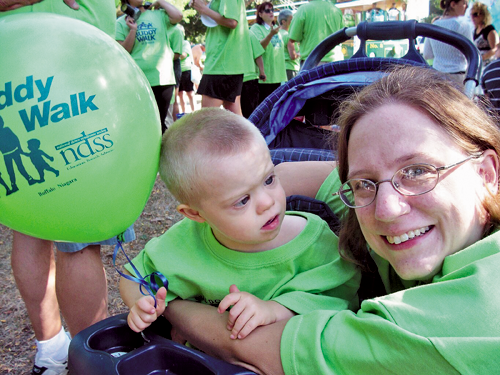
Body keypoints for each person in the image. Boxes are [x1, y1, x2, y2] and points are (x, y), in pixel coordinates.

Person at [161, 66, 500, 374]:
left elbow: (266, 349)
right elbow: (301, 176)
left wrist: (173, 306)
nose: (386, 210)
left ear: (486, 172)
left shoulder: (476, 307)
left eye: (417, 171)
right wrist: (236, 196)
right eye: (365, 183)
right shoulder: (419, 217)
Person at [120, 107, 361, 340]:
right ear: (195, 214)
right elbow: (135, 275)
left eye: (269, 180)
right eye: (243, 200)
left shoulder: (313, 243)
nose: (267, 202)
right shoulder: (183, 243)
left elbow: (340, 298)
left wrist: (275, 309)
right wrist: (143, 304)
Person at [1, 2, 136, 374]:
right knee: (77, 229)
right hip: (57, 53)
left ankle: (52, 352)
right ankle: (91, 355)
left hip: (28, 53)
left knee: (30, 219)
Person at [116, 0, 182, 133]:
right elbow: (123, 51)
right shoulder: (121, 22)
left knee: (162, 125)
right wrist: (132, 30)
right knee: (144, 126)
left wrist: (160, 2)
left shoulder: (159, 15)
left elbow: (178, 16)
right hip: (138, 81)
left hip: (163, 79)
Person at [190, 0, 254, 115]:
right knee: (236, 121)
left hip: (221, 62)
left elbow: (232, 21)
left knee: (206, 120)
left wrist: (203, 9)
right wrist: (203, 6)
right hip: (226, 62)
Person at [423, 0, 473, 85]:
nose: (466, 6)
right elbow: (471, 53)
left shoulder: (434, 25)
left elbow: (427, 54)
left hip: (437, 77)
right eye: (464, 3)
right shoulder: (464, 25)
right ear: (453, 4)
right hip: (458, 77)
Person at [287, 0, 344, 67]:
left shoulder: (303, 10)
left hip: (312, 61)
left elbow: (292, 38)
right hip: (336, 61)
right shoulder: (336, 10)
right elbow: (342, 36)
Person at [250, 2, 286, 105]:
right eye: (267, 10)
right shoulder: (256, 28)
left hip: (278, 76)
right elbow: (258, 48)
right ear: (260, 14)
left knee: (276, 108)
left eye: (272, 10)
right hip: (265, 78)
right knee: (265, 109)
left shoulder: (275, 29)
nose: (271, 12)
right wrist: (270, 35)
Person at [241, 32, 266, 119]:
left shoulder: (229, 34)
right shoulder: (250, 34)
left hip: (237, 78)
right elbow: (258, 55)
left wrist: (262, 72)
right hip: (249, 78)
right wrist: (262, 72)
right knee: (251, 113)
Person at [471, 1, 498, 67]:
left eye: (475, 14)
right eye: (471, 15)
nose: (473, 18)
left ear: (483, 15)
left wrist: (482, 57)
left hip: (488, 65)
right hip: (479, 65)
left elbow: (495, 49)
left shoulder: (489, 29)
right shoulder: (475, 31)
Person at [278, 9, 299, 81]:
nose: (293, 22)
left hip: (280, 69)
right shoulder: (288, 36)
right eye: (291, 20)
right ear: (283, 22)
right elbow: (293, 56)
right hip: (291, 68)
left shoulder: (276, 34)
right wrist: (301, 52)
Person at [178, 37, 196, 114]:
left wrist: (173, 54)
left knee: (190, 93)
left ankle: (194, 113)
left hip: (186, 70)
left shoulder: (185, 43)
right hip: (177, 71)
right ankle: (183, 113)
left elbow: (183, 55)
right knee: (180, 94)